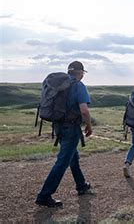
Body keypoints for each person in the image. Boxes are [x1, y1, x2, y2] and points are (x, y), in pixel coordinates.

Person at [35, 61, 93, 208]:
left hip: (58, 125)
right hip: (71, 128)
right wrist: (89, 125)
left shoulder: (59, 85)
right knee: (62, 162)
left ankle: (81, 186)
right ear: (80, 73)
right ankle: (44, 195)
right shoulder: (78, 86)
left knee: (73, 157)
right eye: (83, 73)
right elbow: (84, 110)